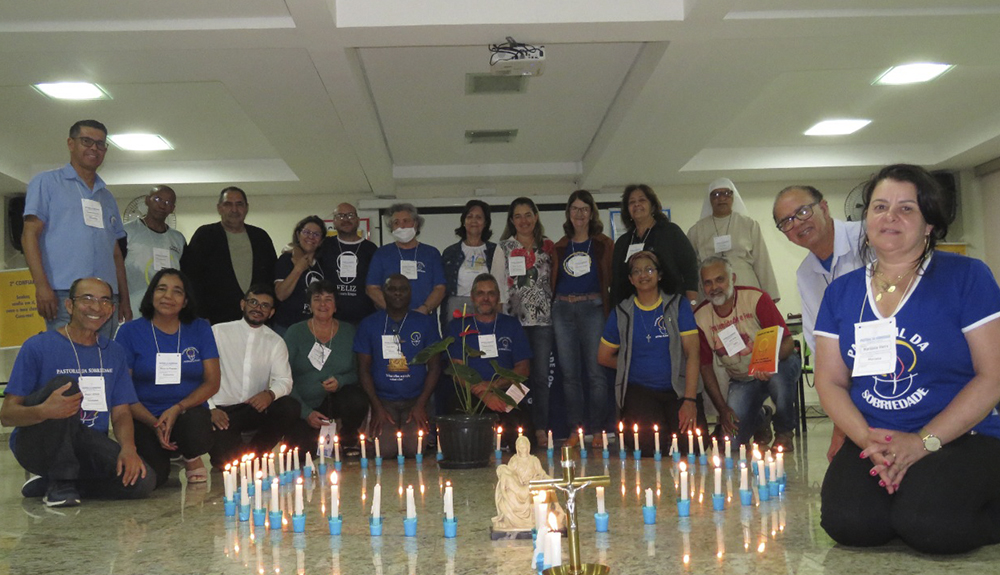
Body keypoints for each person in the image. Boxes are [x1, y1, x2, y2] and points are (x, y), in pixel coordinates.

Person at [814, 164, 1000, 554]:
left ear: (929, 222)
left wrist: (921, 442)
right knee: (848, 523)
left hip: (959, 436)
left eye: (906, 208)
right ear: (866, 219)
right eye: (880, 207)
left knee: (930, 525)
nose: (890, 217)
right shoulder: (842, 293)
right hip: (874, 436)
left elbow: (992, 377)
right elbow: (830, 381)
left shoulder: (967, 276)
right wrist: (866, 438)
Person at [1, 278, 154, 506]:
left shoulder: (114, 352)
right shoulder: (37, 346)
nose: (96, 307)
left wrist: (129, 449)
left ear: (111, 310)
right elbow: (7, 415)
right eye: (87, 299)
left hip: (86, 441)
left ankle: (57, 483)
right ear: (70, 306)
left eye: (104, 301)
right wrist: (44, 411)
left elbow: (121, 412)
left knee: (143, 480)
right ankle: (61, 481)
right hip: (39, 444)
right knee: (66, 384)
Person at [773, 184, 865, 460]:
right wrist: (841, 418)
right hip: (849, 374)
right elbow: (819, 342)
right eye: (786, 222)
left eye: (802, 211)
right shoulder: (806, 274)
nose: (797, 223)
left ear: (824, 207)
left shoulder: (867, 238)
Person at [22, 120, 131, 337]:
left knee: (102, 362)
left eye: (100, 144)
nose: (94, 148)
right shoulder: (46, 182)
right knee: (68, 363)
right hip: (64, 295)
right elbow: (29, 235)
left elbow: (116, 253)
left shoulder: (107, 197)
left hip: (107, 299)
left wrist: (124, 300)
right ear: (71, 144)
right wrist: (42, 287)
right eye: (86, 141)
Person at [115, 269, 219, 486]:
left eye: (177, 291)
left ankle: (190, 455)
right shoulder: (129, 332)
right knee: (156, 478)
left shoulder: (199, 327)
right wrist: (155, 423)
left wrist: (177, 408)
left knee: (196, 431)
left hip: (186, 412)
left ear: (185, 301)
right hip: (144, 416)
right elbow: (122, 389)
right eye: (161, 289)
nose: (168, 296)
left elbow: (212, 381)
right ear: (151, 294)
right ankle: (168, 454)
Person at [598, 251, 703, 457]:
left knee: (691, 446)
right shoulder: (621, 312)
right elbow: (603, 357)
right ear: (630, 279)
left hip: (678, 390)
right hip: (641, 391)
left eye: (648, 269)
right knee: (647, 447)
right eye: (636, 271)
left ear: (659, 275)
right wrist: (632, 366)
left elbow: (693, 354)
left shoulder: (678, 305)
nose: (643, 275)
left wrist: (689, 401)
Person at [693, 257, 800, 451]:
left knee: (780, 377)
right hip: (742, 380)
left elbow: (788, 343)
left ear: (732, 278)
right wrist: (723, 410)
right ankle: (761, 418)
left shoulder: (756, 299)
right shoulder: (700, 318)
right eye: (708, 283)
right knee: (730, 444)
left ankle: (784, 432)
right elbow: (705, 367)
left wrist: (767, 362)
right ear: (702, 287)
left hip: (776, 367)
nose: (714, 287)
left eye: (720, 280)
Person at [208, 284, 299, 467]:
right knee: (224, 462)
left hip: (254, 407)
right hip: (222, 411)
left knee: (289, 407)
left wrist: (270, 394)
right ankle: (240, 452)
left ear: (271, 313)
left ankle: (256, 455)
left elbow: (285, 380)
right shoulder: (218, 332)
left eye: (265, 306)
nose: (258, 308)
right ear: (243, 304)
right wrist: (210, 408)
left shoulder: (275, 341)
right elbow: (200, 374)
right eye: (253, 302)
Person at [490, 197, 556, 448]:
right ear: (511, 220)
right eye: (518, 216)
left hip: (543, 322)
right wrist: (499, 323)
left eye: (528, 214)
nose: (524, 220)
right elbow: (497, 287)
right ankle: (517, 429)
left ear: (536, 216)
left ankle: (540, 428)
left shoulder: (548, 246)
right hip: (512, 323)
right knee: (514, 378)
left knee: (540, 378)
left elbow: (553, 283)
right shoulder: (503, 247)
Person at [551, 190, 614, 448]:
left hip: (593, 308)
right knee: (569, 375)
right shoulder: (559, 246)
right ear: (568, 213)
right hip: (563, 310)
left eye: (584, 209)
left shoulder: (603, 244)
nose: (579, 214)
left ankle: (598, 430)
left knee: (596, 373)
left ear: (591, 213)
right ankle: (576, 430)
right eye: (575, 209)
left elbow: (610, 276)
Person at [354, 275, 441, 457]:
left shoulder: (425, 323)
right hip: (383, 401)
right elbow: (363, 370)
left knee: (413, 450)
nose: (398, 293)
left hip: (415, 400)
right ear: (383, 293)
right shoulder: (369, 324)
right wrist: (377, 407)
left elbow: (434, 367)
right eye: (392, 289)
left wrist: (421, 405)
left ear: (410, 293)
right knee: (385, 451)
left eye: (403, 289)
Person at [444, 273, 533, 448]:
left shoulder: (512, 325)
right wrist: (485, 395)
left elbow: (523, 370)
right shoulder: (458, 326)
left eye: (491, 293)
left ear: (498, 297)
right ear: (472, 297)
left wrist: (493, 387)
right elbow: (456, 371)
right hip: (471, 393)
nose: (486, 298)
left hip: (504, 390)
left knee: (523, 437)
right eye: (480, 293)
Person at [284, 281, 369, 455]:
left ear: (336, 306)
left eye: (328, 299)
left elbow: (356, 372)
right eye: (317, 299)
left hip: (337, 400)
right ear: (310, 305)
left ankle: (348, 438)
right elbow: (283, 376)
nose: (323, 304)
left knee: (357, 399)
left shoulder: (349, 331)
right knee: (301, 454)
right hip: (303, 404)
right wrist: (306, 413)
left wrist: (341, 381)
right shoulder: (295, 332)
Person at [181, 187, 277, 325]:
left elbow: (271, 278)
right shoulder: (205, 235)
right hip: (215, 321)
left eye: (239, 204)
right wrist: (200, 314)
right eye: (228, 204)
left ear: (246, 208)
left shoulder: (260, 237)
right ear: (219, 208)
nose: (234, 209)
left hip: (256, 321)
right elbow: (191, 278)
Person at [687, 178, 780, 300]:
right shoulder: (697, 230)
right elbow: (690, 269)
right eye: (716, 194)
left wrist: (770, 296)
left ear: (733, 197)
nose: (721, 198)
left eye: (726, 193)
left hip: (745, 286)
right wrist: (693, 301)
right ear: (709, 199)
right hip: (712, 292)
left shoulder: (749, 225)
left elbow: (762, 261)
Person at [610, 184, 699, 308]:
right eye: (632, 202)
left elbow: (690, 267)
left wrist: (692, 301)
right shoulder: (623, 242)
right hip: (633, 309)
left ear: (652, 206)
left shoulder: (670, 232)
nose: (637, 204)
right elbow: (617, 281)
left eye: (642, 200)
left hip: (670, 305)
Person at [366, 203, 445, 315]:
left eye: (406, 221)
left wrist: (425, 308)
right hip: (390, 317)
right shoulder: (382, 254)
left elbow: (440, 288)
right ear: (391, 227)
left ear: (416, 223)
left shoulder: (431, 253)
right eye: (396, 222)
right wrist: (394, 310)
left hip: (423, 317)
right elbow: (372, 288)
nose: (401, 226)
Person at [123, 185, 186, 320]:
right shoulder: (126, 232)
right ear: (147, 200)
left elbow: (184, 278)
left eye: (168, 203)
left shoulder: (178, 239)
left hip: (168, 312)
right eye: (158, 199)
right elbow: (115, 269)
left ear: (172, 209)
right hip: (133, 309)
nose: (162, 205)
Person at [441, 199, 497, 329]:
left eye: (479, 217)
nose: (474, 221)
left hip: (485, 304)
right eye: (469, 217)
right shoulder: (450, 252)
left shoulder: (495, 251)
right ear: (464, 222)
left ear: (485, 223)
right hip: (457, 304)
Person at [319, 202, 377, 325]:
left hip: (364, 318)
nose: (345, 219)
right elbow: (305, 251)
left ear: (357, 220)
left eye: (350, 215)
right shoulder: (325, 245)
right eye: (340, 216)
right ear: (333, 221)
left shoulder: (371, 249)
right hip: (331, 318)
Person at [492, 435, 566, 531]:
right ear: (517, 448)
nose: (524, 449)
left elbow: (542, 474)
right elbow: (508, 474)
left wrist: (550, 480)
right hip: (521, 488)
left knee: (546, 486)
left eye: (525, 447)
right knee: (512, 494)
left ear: (529, 447)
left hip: (533, 486)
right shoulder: (514, 460)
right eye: (521, 447)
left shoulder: (534, 460)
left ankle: (557, 508)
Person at [273, 215, 327, 334]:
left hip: (313, 327)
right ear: (298, 235)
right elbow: (281, 295)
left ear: (321, 241)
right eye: (306, 232)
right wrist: (298, 268)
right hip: (286, 326)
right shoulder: (286, 260)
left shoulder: (323, 264)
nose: (311, 237)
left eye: (316, 234)